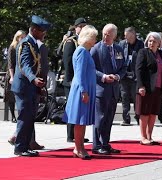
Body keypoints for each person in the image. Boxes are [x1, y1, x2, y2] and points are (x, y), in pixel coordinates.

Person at [11, 15, 51, 157]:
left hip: (31, 87)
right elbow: (24, 65)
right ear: (34, 30)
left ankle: (26, 145)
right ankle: (20, 148)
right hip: (24, 87)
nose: (44, 34)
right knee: (24, 117)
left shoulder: (34, 43)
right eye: (42, 31)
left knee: (29, 117)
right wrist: (34, 79)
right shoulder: (25, 44)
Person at [90, 23, 127, 155]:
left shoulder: (118, 49)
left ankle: (105, 143)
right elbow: (91, 68)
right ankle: (96, 145)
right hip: (101, 89)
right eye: (104, 34)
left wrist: (117, 76)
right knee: (100, 118)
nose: (106, 37)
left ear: (115, 36)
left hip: (114, 90)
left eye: (109, 35)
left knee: (109, 118)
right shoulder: (95, 49)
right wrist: (104, 76)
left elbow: (123, 67)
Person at [63, 25, 98, 160]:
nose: (95, 40)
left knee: (82, 121)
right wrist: (84, 91)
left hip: (84, 89)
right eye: (94, 37)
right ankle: (79, 148)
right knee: (80, 120)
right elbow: (79, 74)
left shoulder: (84, 51)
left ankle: (80, 147)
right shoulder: (82, 52)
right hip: (81, 90)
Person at [136, 32, 162, 145]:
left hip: (158, 87)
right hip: (146, 87)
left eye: (154, 41)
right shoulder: (143, 52)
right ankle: (143, 137)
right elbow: (139, 70)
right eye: (150, 41)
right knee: (144, 112)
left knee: (153, 112)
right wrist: (141, 86)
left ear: (159, 43)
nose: (151, 43)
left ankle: (150, 136)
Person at [62, 17, 89, 143]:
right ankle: (70, 135)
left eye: (85, 26)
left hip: (80, 80)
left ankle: (78, 134)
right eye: (81, 26)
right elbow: (68, 62)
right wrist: (72, 79)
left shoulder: (84, 42)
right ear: (76, 27)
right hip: (71, 80)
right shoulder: (71, 42)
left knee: (80, 108)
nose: (83, 28)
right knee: (73, 107)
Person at [118, 27, 144, 126]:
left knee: (136, 98)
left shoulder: (140, 44)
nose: (125, 37)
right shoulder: (122, 44)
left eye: (126, 35)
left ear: (132, 34)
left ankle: (138, 118)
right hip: (124, 75)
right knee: (124, 97)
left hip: (135, 76)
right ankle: (126, 119)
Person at [3, 30, 26, 123]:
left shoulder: (24, 47)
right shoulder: (12, 47)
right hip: (13, 74)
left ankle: (21, 115)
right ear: (17, 38)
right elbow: (10, 64)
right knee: (11, 96)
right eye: (21, 37)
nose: (23, 39)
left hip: (21, 73)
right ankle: (13, 116)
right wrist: (12, 77)